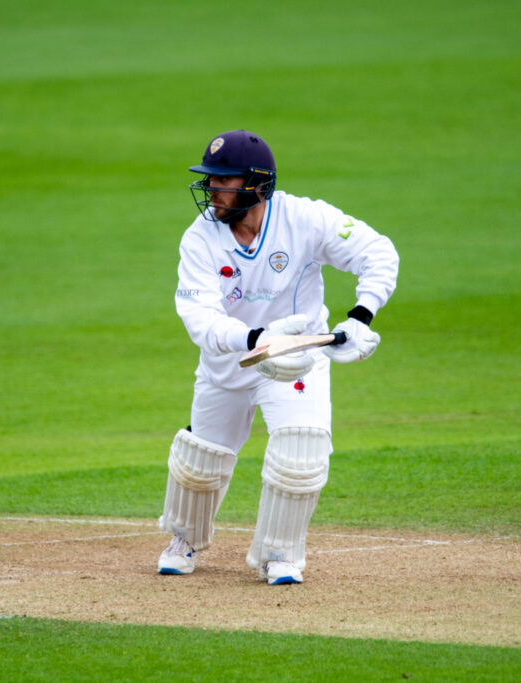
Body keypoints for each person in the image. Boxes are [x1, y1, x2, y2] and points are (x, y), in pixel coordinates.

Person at [157, 129, 399, 585]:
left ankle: (280, 554)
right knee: (202, 461)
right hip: (231, 360)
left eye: (223, 180)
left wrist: (361, 316)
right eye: (210, 179)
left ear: (256, 184)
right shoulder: (199, 238)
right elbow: (199, 318)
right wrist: (257, 338)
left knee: (300, 452)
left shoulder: (305, 218)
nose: (211, 189)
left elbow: (378, 252)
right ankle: (183, 540)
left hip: (296, 361)